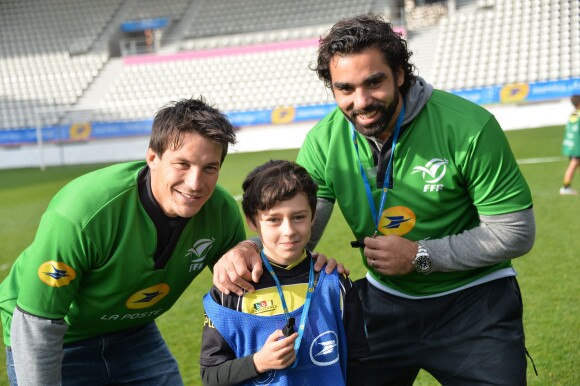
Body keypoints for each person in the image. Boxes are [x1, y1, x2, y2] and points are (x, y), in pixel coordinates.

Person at [214, 13, 536, 385]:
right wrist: (250, 247)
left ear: (400, 74)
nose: (361, 101)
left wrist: (420, 256)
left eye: (374, 82)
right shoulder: (324, 140)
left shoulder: (468, 127)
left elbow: (515, 232)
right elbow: (301, 227)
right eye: (345, 89)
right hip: (382, 304)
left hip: (475, 303)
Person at [0, 97, 247, 386]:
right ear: (153, 158)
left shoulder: (221, 211)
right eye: (182, 164)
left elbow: (244, 285)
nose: (195, 183)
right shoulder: (84, 213)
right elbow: (37, 325)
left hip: (134, 332)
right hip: (57, 334)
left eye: (209, 168)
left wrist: (249, 247)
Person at [200, 160, 369, 386]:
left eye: (298, 217)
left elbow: (358, 361)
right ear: (252, 221)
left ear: (313, 217)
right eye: (273, 220)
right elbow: (211, 375)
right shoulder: (232, 287)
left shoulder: (335, 283)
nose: (288, 231)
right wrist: (258, 362)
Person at [559, 94, 580, 195]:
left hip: (572, 144)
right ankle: (565, 188)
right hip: (577, 146)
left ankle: (566, 187)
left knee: (575, 164)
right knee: (573, 164)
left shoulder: (573, 113)